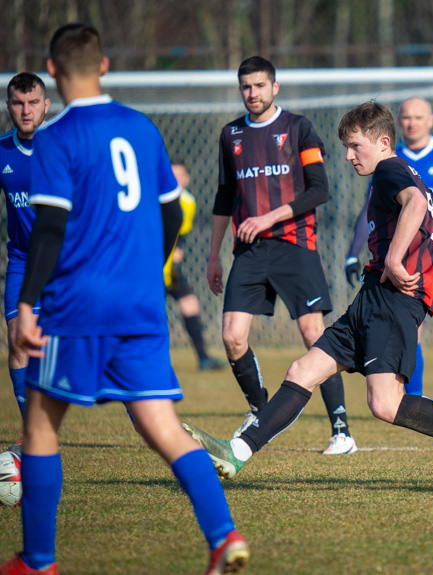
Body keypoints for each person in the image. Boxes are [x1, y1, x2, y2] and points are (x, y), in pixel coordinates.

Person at [0, 23, 248, 575]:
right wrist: (149, 268)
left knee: (40, 427)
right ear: (105, 65)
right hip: (140, 306)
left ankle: (38, 561)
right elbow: (167, 213)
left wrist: (25, 306)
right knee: (161, 425)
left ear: (55, 72)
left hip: (78, 306)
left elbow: (47, 229)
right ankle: (223, 534)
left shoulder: (57, 137)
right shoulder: (141, 129)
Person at [182, 102, 433, 489]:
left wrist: (394, 259)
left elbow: (412, 205)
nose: (348, 156)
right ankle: (236, 453)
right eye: (346, 147)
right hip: (370, 299)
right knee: (302, 372)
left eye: (356, 146)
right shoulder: (417, 185)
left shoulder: (392, 171)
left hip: (394, 302)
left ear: (383, 142)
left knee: (385, 404)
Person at [208, 56, 357, 456]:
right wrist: (213, 256)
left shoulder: (298, 128)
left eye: (259, 85)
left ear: (275, 87)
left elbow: (318, 190)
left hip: (295, 245)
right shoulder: (231, 134)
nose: (252, 93)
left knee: (313, 335)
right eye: (245, 87)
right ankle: (259, 411)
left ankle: (341, 430)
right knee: (232, 337)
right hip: (250, 251)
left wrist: (268, 217)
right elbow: (224, 196)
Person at [345, 97, 433, 423]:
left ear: (431, 119)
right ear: (398, 122)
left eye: (418, 117)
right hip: (410, 262)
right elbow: (369, 210)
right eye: (406, 117)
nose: (412, 123)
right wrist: (352, 253)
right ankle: (415, 401)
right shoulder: (384, 160)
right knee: (413, 333)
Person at [0, 72, 50, 423]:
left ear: (46, 105)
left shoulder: (64, 146)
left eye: (33, 102)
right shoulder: (2, 150)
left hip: (68, 262)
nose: (26, 110)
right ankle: (32, 431)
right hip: (22, 260)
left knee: (101, 342)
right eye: (18, 103)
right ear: (8, 107)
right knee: (17, 338)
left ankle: (144, 419)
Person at [165, 160, 225, 371]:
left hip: (170, 265)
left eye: (180, 175)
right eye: (171, 175)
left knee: (189, 303)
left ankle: (203, 358)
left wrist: (178, 249)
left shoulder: (188, 202)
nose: (176, 180)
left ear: (187, 179)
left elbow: (181, 233)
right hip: (152, 265)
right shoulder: (155, 197)